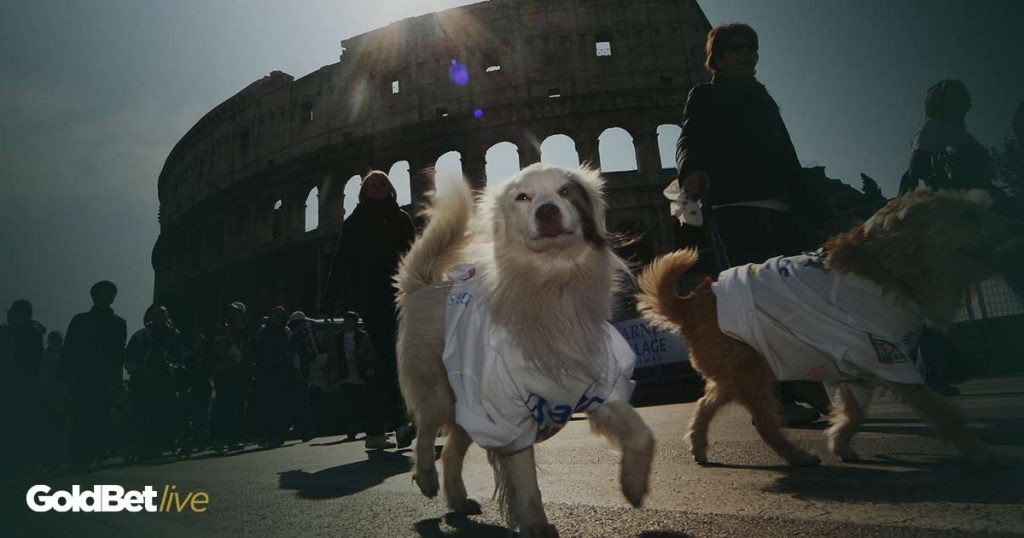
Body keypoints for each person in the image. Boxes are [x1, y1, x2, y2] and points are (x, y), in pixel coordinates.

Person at [669, 23, 833, 424]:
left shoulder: (762, 98)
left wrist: (815, 206)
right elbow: (689, 137)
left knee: (795, 299)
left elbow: (787, 155)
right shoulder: (706, 94)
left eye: (753, 49)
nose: (748, 55)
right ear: (718, 57)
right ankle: (775, 400)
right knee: (760, 305)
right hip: (737, 209)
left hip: (780, 209)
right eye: (738, 48)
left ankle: (807, 384)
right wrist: (690, 169)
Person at [899, 79, 1002, 396]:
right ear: (946, 100)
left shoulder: (955, 131)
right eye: (963, 94)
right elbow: (915, 169)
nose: (970, 99)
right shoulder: (934, 128)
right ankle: (930, 372)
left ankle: (932, 371)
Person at [324, 170, 417, 447]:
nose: (376, 187)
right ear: (363, 192)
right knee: (391, 356)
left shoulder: (402, 219)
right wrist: (330, 297)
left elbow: (415, 256)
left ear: (390, 189)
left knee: (390, 359)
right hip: (372, 296)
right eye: (371, 184)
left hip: (400, 295)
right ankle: (400, 423)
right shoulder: (356, 221)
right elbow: (342, 260)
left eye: (382, 183)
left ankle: (377, 430)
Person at [60, 281, 128, 470]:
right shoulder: (80, 320)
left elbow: (119, 354)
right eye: (104, 293)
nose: (108, 297)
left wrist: (117, 380)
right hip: (81, 376)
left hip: (103, 378)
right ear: (95, 295)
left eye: (111, 293)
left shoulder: (119, 323)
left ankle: (94, 454)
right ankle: (78, 456)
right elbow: (69, 349)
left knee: (99, 414)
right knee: (79, 415)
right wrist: (65, 376)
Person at [124, 305, 184, 459]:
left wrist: (176, 368)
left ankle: (162, 444)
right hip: (145, 380)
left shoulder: (173, 335)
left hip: (167, 380)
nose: (162, 318)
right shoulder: (142, 335)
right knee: (145, 415)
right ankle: (144, 448)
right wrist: (139, 371)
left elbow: (180, 358)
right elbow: (129, 357)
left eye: (164, 315)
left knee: (165, 413)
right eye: (158, 315)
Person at [0, 300, 46, 473]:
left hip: (17, 386)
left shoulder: (23, 333)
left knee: (16, 425)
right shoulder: (29, 331)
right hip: (21, 386)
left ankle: (18, 463)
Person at [327, 311, 384, 447]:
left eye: (350, 320)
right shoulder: (337, 337)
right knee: (349, 402)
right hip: (344, 374)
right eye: (345, 320)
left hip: (360, 374)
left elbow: (369, 351)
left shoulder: (363, 336)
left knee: (360, 403)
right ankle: (351, 431)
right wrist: (331, 373)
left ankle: (363, 428)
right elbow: (332, 356)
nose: (347, 323)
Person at [207, 301, 252, 452]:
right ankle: (218, 440)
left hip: (239, 377)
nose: (232, 316)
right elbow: (218, 351)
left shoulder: (246, 333)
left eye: (236, 313)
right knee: (222, 408)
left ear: (242, 315)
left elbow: (248, 353)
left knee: (238, 409)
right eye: (231, 312)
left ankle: (235, 440)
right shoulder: (221, 332)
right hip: (223, 377)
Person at [252, 306, 296, 447]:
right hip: (265, 372)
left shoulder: (287, 332)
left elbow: (292, 351)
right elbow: (256, 348)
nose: (277, 318)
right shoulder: (263, 331)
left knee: (280, 405)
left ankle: (279, 434)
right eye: (275, 315)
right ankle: (266, 434)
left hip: (281, 372)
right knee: (265, 405)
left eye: (280, 315)